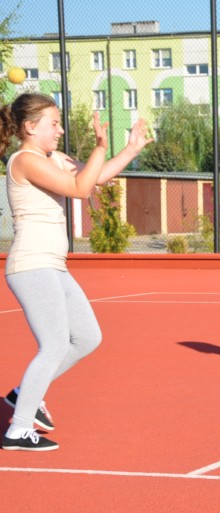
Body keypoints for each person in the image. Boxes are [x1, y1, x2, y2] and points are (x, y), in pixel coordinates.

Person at [0, 93, 152, 451]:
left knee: (87, 337)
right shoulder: (25, 160)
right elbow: (79, 190)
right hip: (32, 265)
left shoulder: (50, 158)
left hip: (53, 265)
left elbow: (94, 177)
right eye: (54, 123)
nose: (60, 130)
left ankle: (23, 393)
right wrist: (100, 146)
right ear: (30, 127)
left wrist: (130, 149)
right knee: (53, 345)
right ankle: (18, 430)